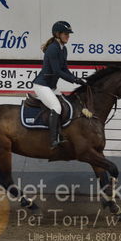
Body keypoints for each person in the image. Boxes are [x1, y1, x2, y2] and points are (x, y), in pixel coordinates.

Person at [32, 21, 85, 149]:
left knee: (66, 105)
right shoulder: (53, 49)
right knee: (56, 107)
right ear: (57, 34)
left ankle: (62, 133)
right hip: (42, 85)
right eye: (66, 34)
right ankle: (53, 140)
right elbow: (57, 71)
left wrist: (76, 79)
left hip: (51, 86)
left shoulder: (63, 49)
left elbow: (65, 69)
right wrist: (74, 80)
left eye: (68, 34)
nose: (68, 36)